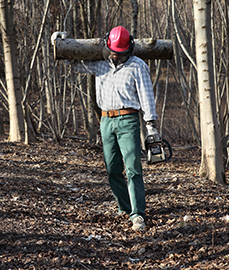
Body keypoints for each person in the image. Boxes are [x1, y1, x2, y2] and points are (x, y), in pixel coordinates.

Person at [51, 26, 160, 230]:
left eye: (119, 52)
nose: (114, 55)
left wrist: (151, 126)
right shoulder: (100, 64)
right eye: (112, 50)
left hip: (128, 120)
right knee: (112, 170)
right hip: (106, 121)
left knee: (133, 169)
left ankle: (138, 214)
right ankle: (125, 208)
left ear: (128, 49)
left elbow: (147, 98)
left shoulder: (138, 66)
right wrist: (61, 42)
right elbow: (73, 63)